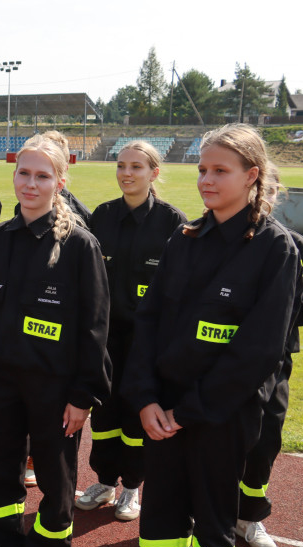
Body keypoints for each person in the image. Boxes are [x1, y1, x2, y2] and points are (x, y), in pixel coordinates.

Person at [118, 124, 300, 547]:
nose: (206, 179)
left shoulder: (275, 249)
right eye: (201, 169)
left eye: (220, 170)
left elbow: (257, 351)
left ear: (252, 176)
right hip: (162, 410)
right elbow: (147, 323)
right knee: (163, 511)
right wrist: (147, 398)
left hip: (221, 414)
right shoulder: (185, 238)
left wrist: (186, 410)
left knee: (214, 517)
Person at [0, 134, 111, 547]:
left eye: (42, 176)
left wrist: (84, 394)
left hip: (55, 390)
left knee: (55, 479)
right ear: (14, 176)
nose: (31, 183)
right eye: (24, 173)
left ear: (60, 182)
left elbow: (94, 327)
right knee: (1, 474)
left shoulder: (79, 245)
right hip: (1, 385)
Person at [78, 141, 187, 522]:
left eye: (136, 167)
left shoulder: (174, 223)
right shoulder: (103, 216)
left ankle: (131, 487)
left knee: (135, 416)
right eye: (121, 165)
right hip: (103, 340)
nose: (127, 173)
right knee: (103, 417)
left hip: (146, 344)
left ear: (153, 173)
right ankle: (105, 481)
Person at [235, 175, 303, 547]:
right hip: (222, 360)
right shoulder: (224, 241)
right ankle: (205, 510)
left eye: (268, 191)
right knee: (214, 437)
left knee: (266, 439)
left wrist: (277, 309)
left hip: (274, 362)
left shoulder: (296, 245)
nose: (261, 198)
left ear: (275, 195)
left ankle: (249, 516)